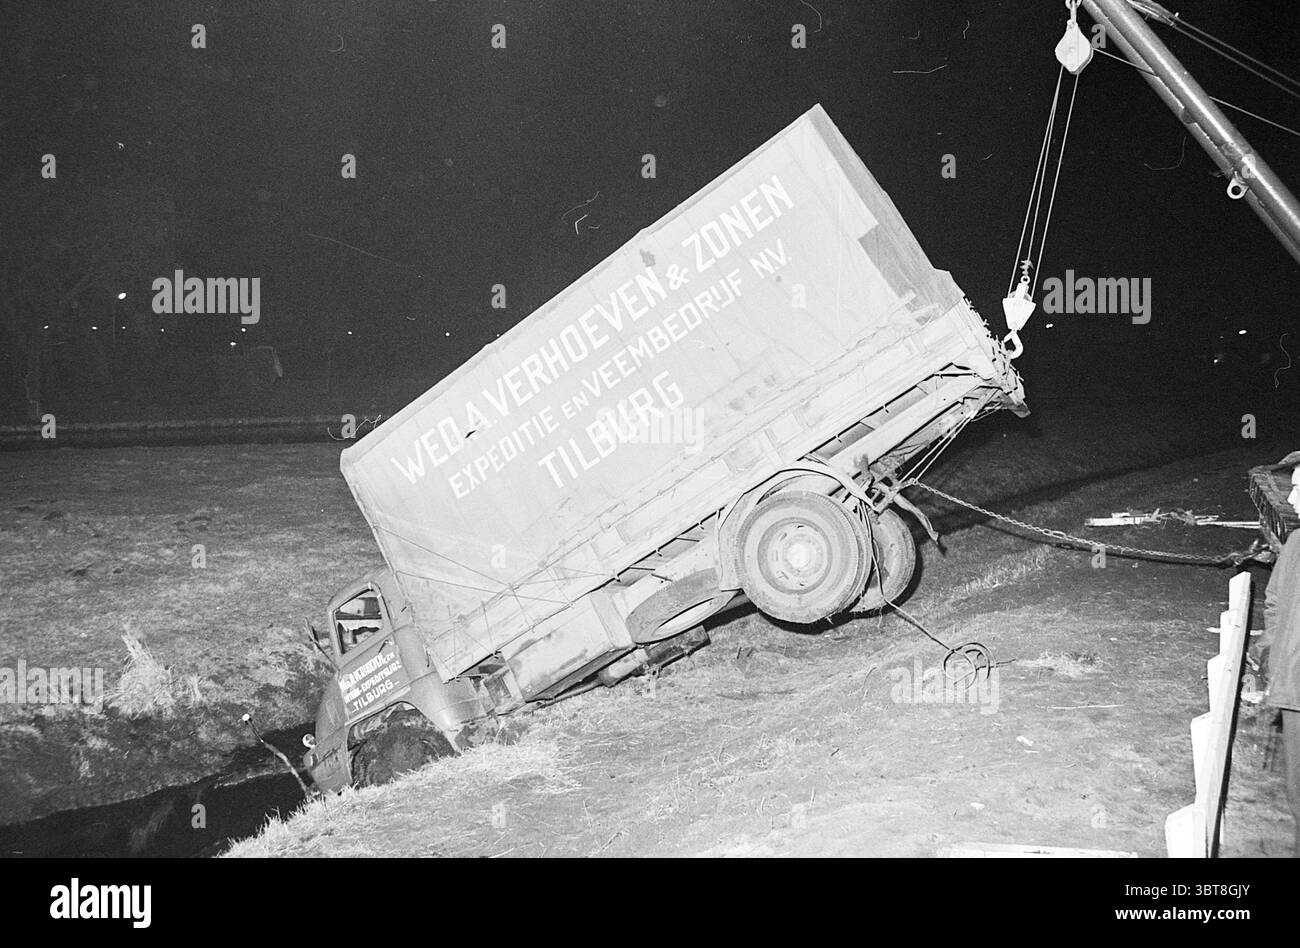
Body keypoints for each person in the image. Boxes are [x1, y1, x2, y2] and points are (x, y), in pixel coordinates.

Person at [1263, 456, 1300, 856]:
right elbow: (1274, 600)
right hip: (1292, 690)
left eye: (1296, 486)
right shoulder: (1296, 544)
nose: (1290, 496)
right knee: (1297, 797)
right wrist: (1269, 654)